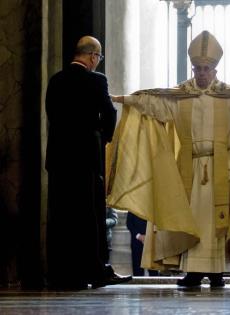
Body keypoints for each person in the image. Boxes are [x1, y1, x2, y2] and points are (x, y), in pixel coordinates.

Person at [108, 31, 230, 287]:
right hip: (191, 168)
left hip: (222, 169)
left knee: (219, 223)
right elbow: (154, 104)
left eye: (206, 68)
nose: (201, 73)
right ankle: (194, 272)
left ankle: (218, 272)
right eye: (197, 68)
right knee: (191, 220)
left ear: (215, 69)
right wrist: (127, 100)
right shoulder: (180, 97)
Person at [45, 36, 131, 289]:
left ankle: (62, 274)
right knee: (89, 215)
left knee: (62, 214)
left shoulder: (55, 80)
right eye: (99, 57)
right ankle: (94, 271)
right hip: (86, 158)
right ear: (93, 56)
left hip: (60, 159)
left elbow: (52, 114)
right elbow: (110, 112)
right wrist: (101, 138)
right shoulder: (96, 80)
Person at [126, 212, 158, 276]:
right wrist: (139, 236)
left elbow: (158, 222)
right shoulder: (133, 205)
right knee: (137, 271)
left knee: (154, 272)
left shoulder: (154, 204)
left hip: (152, 241)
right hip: (136, 243)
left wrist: (149, 236)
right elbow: (129, 223)